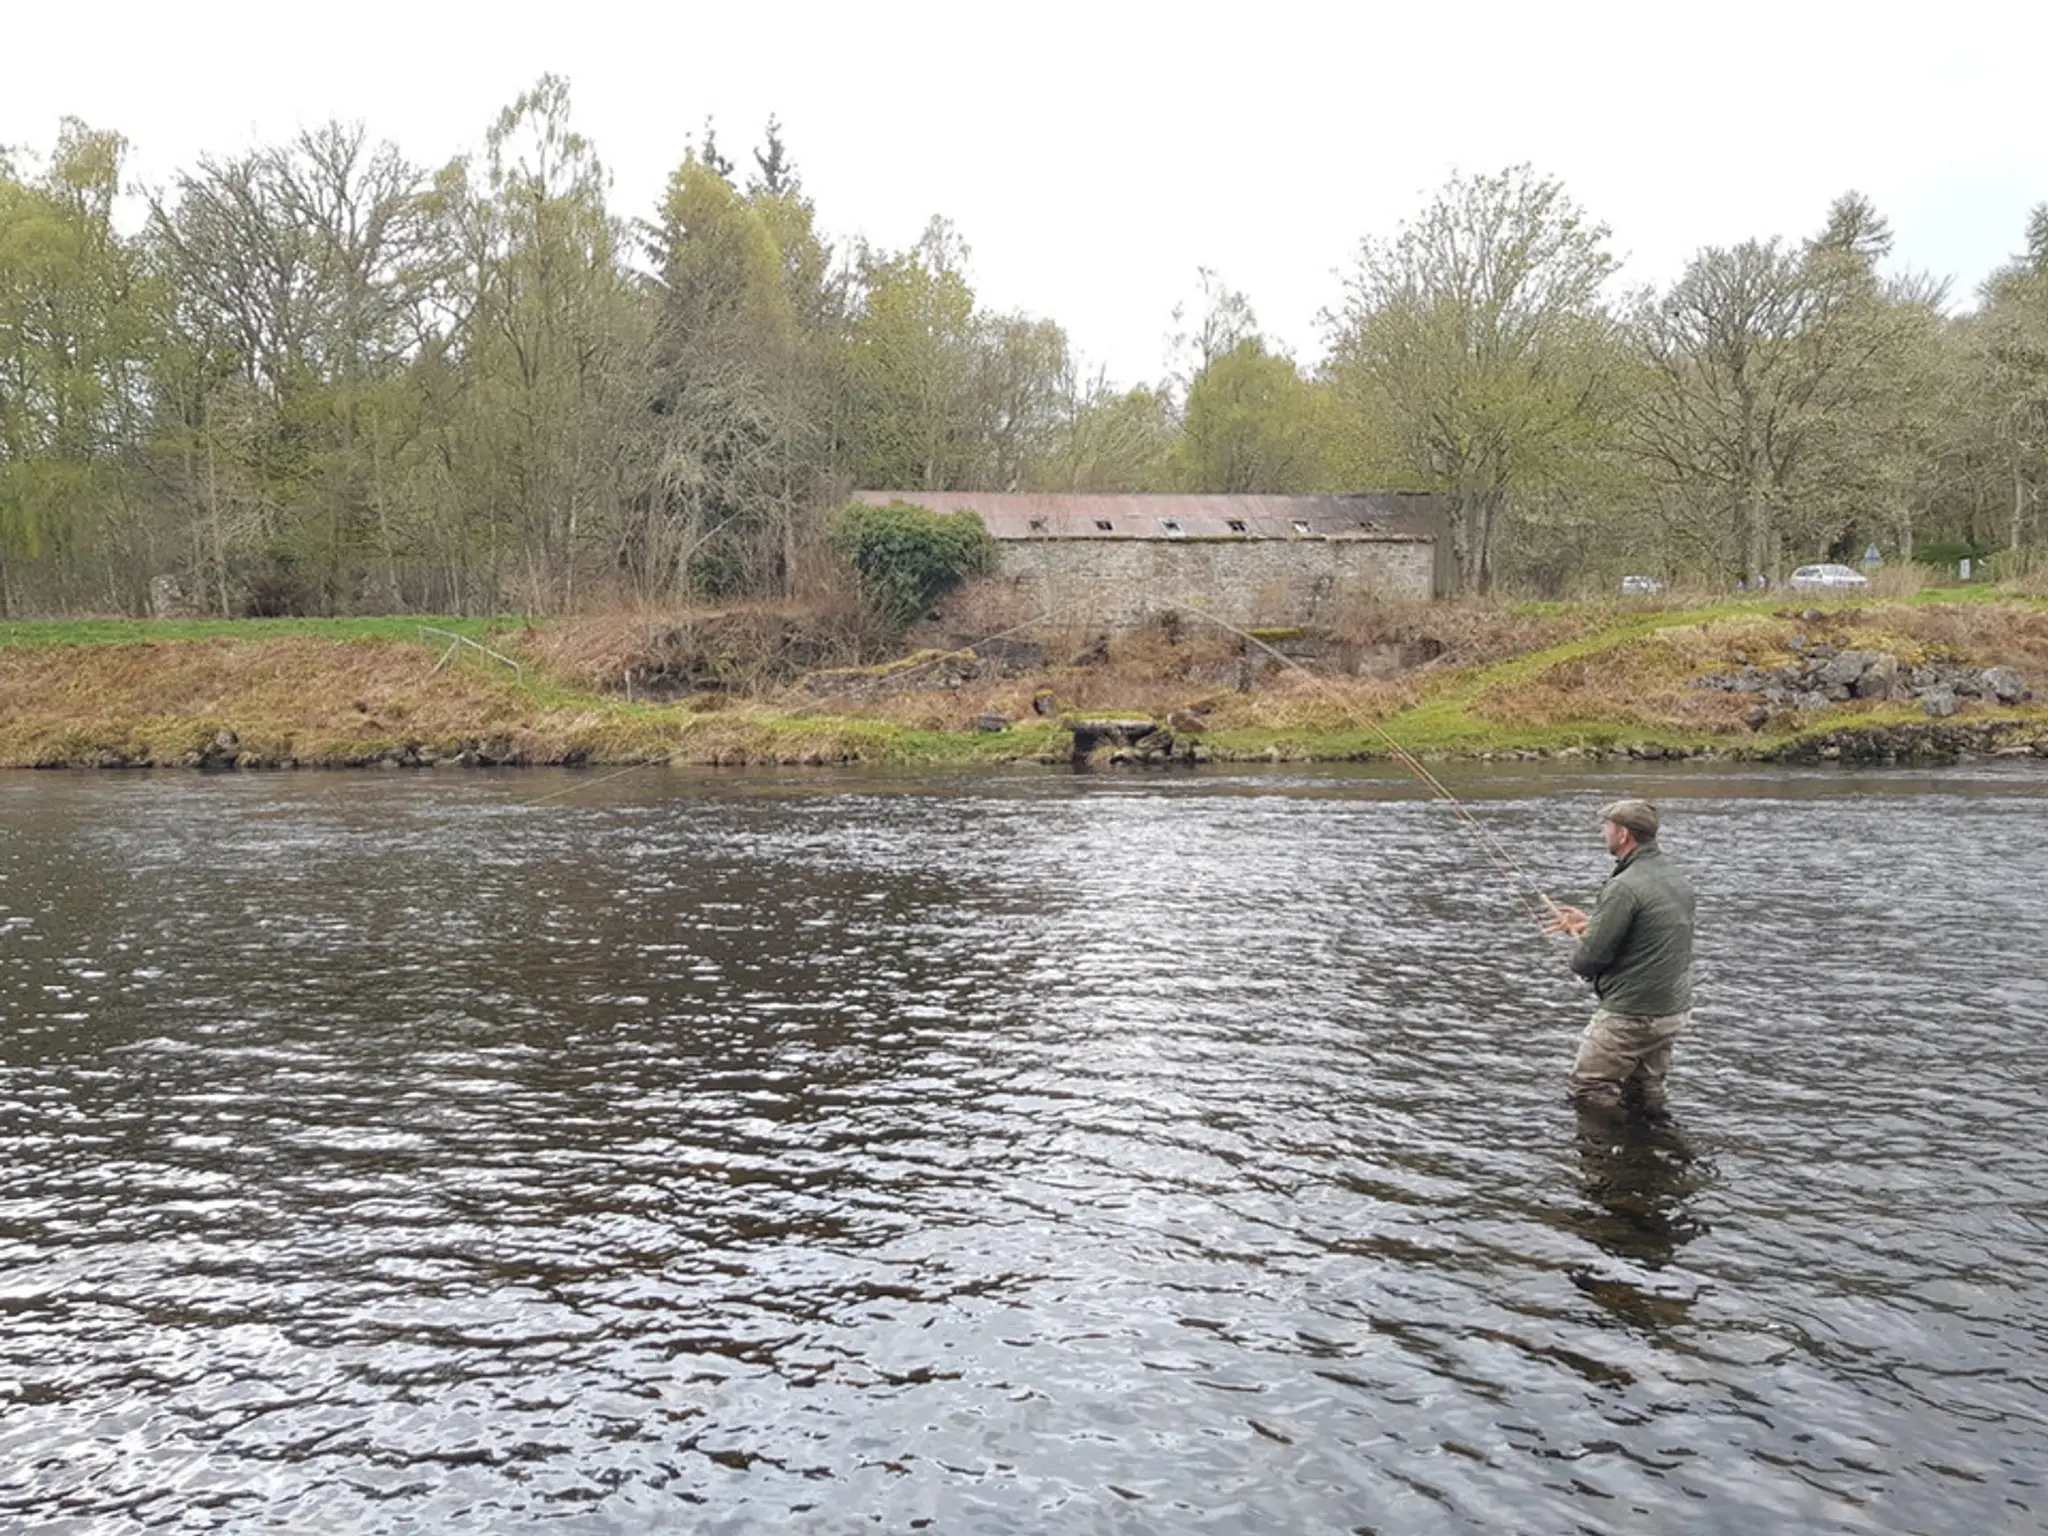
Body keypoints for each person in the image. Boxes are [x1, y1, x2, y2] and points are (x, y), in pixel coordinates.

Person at [1542, 799, 1697, 1118]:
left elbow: (1589, 958)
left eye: (1607, 826)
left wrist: (1584, 947)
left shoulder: (1623, 887)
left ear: (1623, 834)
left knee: (1587, 1090)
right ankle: (1652, 1157)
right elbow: (1649, 930)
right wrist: (1595, 922)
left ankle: (1605, 1162)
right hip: (1670, 1011)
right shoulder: (1675, 879)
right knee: (1645, 1090)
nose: (1604, 832)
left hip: (1631, 1014)